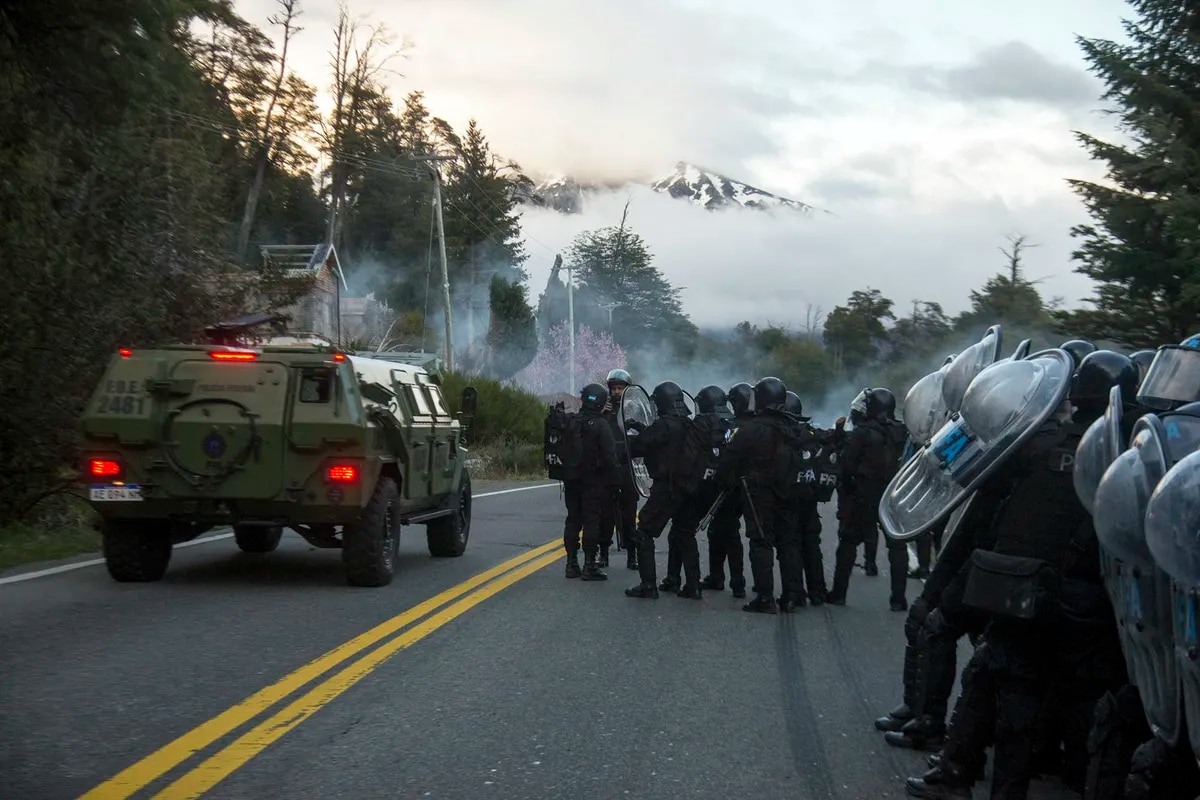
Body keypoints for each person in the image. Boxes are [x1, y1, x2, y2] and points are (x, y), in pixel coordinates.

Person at [714, 376, 798, 614]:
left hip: (759, 493)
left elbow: (729, 460)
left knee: (761, 542)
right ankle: (792, 596)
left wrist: (723, 481)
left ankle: (765, 598)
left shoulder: (751, 430)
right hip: (790, 492)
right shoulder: (793, 426)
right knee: (788, 543)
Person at [829, 387, 909, 610]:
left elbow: (848, 465)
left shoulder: (862, 432)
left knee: (848, 541)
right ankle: (898, 599)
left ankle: (838, 594)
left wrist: (848, 488)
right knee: (897, 546)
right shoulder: (901, 430)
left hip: (865, 492)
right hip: (893, 492)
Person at [624, 381, 695, 600]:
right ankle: (692, 586)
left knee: (644, 531)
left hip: (667, 487)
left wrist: (628, 437)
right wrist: (644, 429)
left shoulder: (664, 425)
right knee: (685, 534)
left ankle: (648, 586)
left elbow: (640, 446)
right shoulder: (690, 425)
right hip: (689, 488)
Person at [701, 382, 753, 598]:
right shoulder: (755, 424)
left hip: (731, 487)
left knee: (727, 532)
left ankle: (734, 581)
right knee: (722, 531)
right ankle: (721, 577)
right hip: (747, 487)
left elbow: (722, 455)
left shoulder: (731, 425)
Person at [571, 383, 621, 581]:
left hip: (572, 479)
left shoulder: (572, 421)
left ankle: (571, 563)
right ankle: (589, 565)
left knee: (573, 520)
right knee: (592, 520)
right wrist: (616, 482)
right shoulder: (601, 425)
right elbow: (610, 457)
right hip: (594, 481)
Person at [603, 368, 640, 571]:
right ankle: (603, 553)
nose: (617, 392)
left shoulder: (635, 409)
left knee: (629, 514)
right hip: (608, 468)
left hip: (627, 468)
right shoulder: (603, 410)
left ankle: (632, 554)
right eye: (614, 388)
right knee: (605, 514)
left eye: (620, 388)